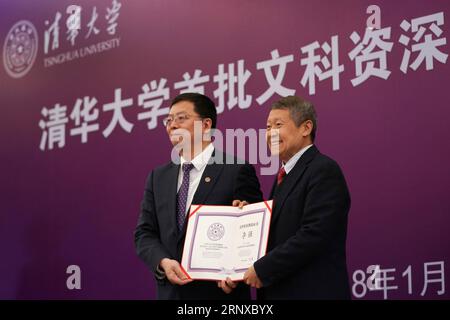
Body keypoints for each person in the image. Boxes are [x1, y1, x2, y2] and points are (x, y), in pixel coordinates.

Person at [134, 92, 263, 300]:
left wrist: (236, 274)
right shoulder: (157, 177)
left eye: (181, 118)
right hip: (171, 294)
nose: (172, 125)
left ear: (205, 125)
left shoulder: (235, 170)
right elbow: (144, 233)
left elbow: (253, 234)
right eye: (168, 120)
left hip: (219, 296)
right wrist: (163, 262)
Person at [242, 96, 351, 299]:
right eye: (267, 127)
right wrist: (250, 218)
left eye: (278, 125)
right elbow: (282, 229)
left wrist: (263, 269)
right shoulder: (285, 175)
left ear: (305, 128)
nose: (270, 133)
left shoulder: (323, 170)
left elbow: (313, 235)